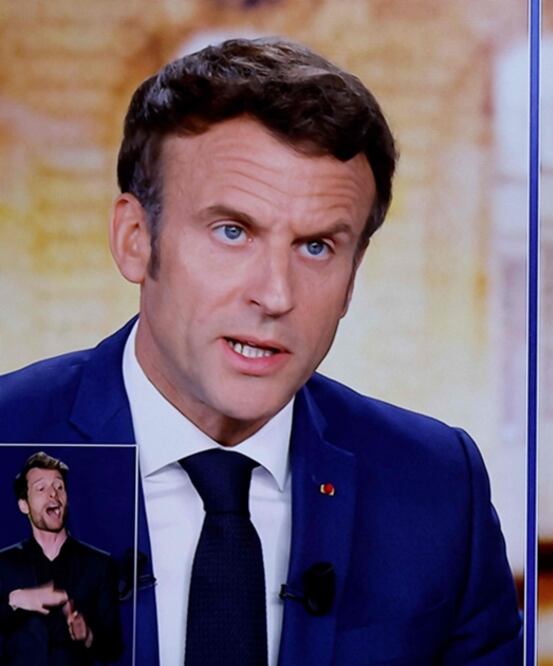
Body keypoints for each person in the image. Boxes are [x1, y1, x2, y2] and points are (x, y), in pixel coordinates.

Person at [0, 38, 521, 665]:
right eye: (232, 231)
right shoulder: (14, 431)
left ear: (353, 276)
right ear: (136, 239)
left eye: (317, 247)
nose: (275, 295)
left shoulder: (436, 487)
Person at [0, 452, 122, 664]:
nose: (53, 495)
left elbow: (113, 648)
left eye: (59, 487)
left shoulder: (99, 565)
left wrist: (88, 636)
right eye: (41, 488)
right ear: (24, 505)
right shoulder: (3, 564)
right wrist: (16, 599)